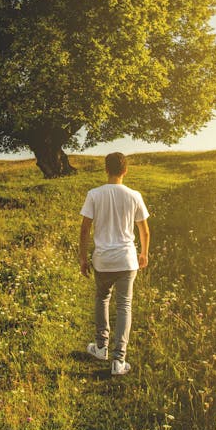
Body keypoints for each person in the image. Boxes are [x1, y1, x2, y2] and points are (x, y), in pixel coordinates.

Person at [79, 152, 150, 375]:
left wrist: (82, 257)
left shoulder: (94, 194)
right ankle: (119, 361)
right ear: (125, 170)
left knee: (102, 299)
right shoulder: (134, 195)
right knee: (124, 306)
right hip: (127, 259)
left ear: (106, 170)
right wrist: (144, 253)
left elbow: (84, 229)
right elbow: (144, 230)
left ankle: (101, 347)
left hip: (103, 260)